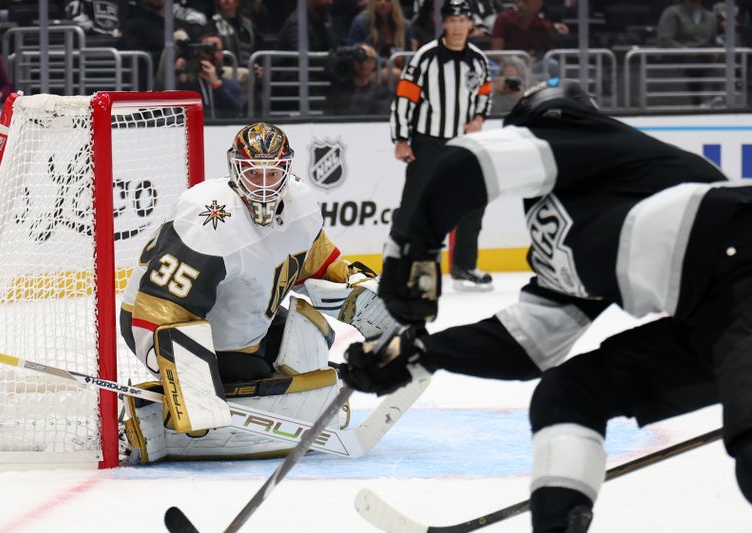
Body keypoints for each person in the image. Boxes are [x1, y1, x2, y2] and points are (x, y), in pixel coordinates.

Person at [339, 79, 752, 532]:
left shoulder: (580, 133)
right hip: (710, 320)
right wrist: (422, 353)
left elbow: (464, 162)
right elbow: (525, 345)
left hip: (745, 273)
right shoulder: (569, 227)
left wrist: (411, 252)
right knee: (568, 394)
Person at [119, 122, 396, 462]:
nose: (264, 185)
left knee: (313, 338)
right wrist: (187, 382)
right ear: (236, 170)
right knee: (251, 377)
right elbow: (159, 308)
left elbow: (315, 262)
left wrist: (362, 290)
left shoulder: (301, 203)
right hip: (160, 322)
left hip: (242, 313)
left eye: (273, 173)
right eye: (254, 173)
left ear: (287, 169)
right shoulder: (208, 222)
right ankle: (154, 425)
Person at [390, 0, 494, 291]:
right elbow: (404, 100)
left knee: (473, 202)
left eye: (463, 21)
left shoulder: (478, 59)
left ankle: (464, 266)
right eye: (453, 20)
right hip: (428, 142)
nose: (458, 27)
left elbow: (485, 94)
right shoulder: (425, 58)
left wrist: (478, 118)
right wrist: (401, 139)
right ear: (444, 23)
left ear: (470, 25)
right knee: (414, 205)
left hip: (462, 144)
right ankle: (398, 266)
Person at [491, 0, 568, 78]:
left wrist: (533, 60)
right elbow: (496, 53)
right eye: (520, 1)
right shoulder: (503, 19)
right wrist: (516, 62)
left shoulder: (543, 27)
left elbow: (545, 54)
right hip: (505, 64)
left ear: (538, 5)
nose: (520, 5)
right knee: (511, 71)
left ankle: (553, 89)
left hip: (531, 67)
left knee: (552, 65)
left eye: (525, 2)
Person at [175, 33, 244, 119]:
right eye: (207, 49)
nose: (213, 54)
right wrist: (179, 73)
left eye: (217, 50)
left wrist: (217, 85)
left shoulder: (231, 86)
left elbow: (235, 112)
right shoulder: (186, 84)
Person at [325, 42, 392, 115]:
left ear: (374, 63)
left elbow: (381, 118)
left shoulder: (382, 93)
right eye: (358, 58)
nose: (362, 62)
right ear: (351, 61)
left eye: (367, 59)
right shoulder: (338, 93)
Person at [347, 0, 415, 59]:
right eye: (378, 0)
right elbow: (353, 52)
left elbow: (408, 55)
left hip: (400, 70)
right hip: (368, 70)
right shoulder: (360, 23)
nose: (382, 2)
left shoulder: (405, 26)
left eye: (387, 0)